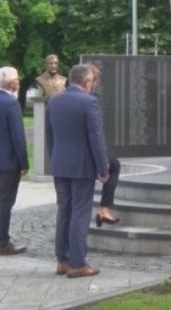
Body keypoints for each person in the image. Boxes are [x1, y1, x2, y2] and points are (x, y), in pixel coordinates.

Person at [47, 64, 109, 278]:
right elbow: (96, 137)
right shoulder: (89, 102)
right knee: (80, 213)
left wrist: (54, 160)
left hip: (60, 165)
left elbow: (50, 136)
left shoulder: (54, 100)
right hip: (82, 166)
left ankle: (62, 261)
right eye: (91, 82)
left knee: (64, 211)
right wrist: (103, 168)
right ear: (86, 82)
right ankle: (78, 263)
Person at [0, 66, 29, 255]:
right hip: (10, 160)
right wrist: (24, 162)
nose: (19, 81)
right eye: (17, 79)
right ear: (11, 83)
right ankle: (2, 243)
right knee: (5, 201)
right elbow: (18, 136)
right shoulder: (11, 104)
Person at [84, 63, 121, 226]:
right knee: (114, 166)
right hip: (88, 150)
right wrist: (102, 164)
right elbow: (95, 132)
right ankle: (103, 210)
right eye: (94, 80)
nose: (95, 83)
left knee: (114, 165)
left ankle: (104, 210)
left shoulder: (62, 98)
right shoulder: (91, 100)